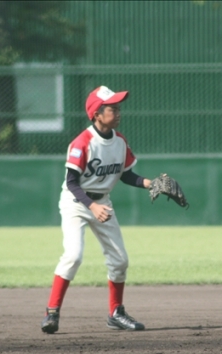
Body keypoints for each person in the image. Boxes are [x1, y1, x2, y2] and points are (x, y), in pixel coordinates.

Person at [41, 86, 152, 334]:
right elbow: (72, 183)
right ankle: (52, 313)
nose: (118, 112)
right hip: (76, 202)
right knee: (73, 256)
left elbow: (127, 175)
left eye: (118, 108)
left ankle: (116, 313)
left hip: (103, 202)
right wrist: (92, 206)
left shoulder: (120, 141)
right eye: (112, 109)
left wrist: (151, 184)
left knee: (120, 260)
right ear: (96, 114)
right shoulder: (82, 142)